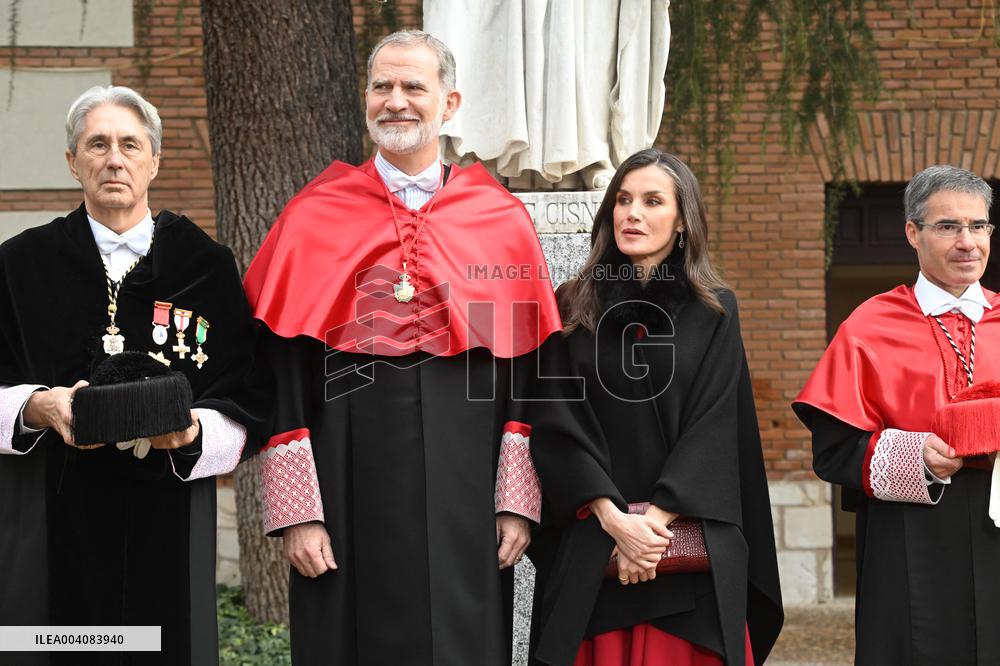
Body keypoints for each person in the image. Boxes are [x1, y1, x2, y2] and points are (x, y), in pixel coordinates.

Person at [243, 30, 562, 665]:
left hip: (467, 487)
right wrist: (297, 512)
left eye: (414, 86)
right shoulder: (315, 214)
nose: (397, 101)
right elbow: (280, 372)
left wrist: (516, 500)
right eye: (382, 86)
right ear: (365, 99)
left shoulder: (498, 218)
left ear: (450, 103)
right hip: (342, 477)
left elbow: (529, 367)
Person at [0, 85, 267, 666]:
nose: (113, 158)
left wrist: (194, 435)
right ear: (73, 162)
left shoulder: (206, 266)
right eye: (97, 144)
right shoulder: (19, 265)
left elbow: (245, 394)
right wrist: (34, 406)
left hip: (167, 513)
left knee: (163, 648)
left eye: (129, 144)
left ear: (154, 159)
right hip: (52, 512)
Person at [527, 149, 782, 666]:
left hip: (687, 555)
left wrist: (650, 528)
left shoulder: (714, 310)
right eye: (623, 200)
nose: (633, 213)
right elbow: (556, 420)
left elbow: (714, 426)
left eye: (651, 201)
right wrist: (615, 520)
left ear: (682, 220)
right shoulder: (572, 304)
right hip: (595, 549)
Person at [794, 164, 1000, 664]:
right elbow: (834, 448)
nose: (967, 242)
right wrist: (917, 458)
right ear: (913, 232)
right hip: (910, 537)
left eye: (978, 226)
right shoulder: (870, 324)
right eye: (948, 226)